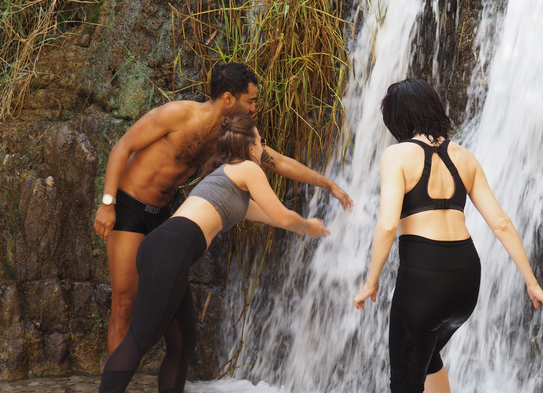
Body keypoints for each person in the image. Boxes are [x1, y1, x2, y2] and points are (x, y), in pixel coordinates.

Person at [93, 62, 352, 353]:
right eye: (250, 101)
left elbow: (276, 161)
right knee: (126, 300)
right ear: (228, 98)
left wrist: (328, 184)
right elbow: (123, 147)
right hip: (129, 206)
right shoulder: (178, 114)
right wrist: (107, 203)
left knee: (165, 308)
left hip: (162, 214)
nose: (254, 108)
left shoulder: (228, 134)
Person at [99, 114, 330, 393]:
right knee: (140, 338)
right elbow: (282, 215)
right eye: (261, 141)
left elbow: (266, 215)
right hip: (171, 249)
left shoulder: (227, 179)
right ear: (252, 147)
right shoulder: (247, 168)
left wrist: (299, 228)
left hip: (163, 247)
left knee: (183, 342)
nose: (263, 146)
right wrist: (309, 225)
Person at [353, 79, 543, 393]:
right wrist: (533, 283)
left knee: (405, 383)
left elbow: (388, 226)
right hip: (466, 283)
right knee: (429, 353)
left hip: (424, 278)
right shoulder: (465, 157)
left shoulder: (397, 155)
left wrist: (371, 281)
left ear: (397, 119)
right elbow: (500, 222)